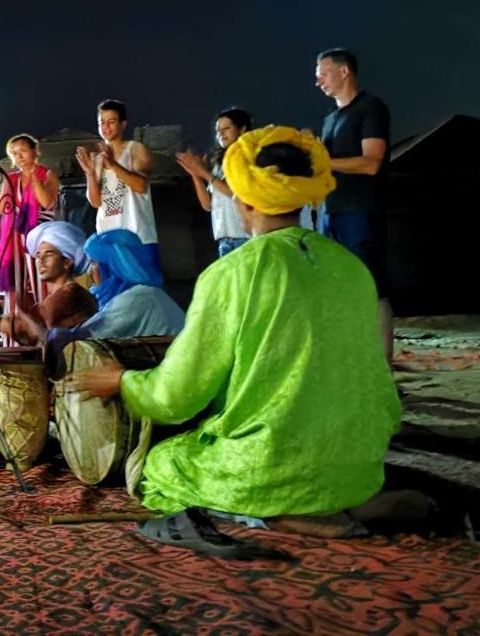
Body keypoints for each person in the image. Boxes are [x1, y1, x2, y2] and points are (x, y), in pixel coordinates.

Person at [71, 126, 400, 553]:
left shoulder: (233, 272)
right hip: (363, 461)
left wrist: (123, 382)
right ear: (303, 196)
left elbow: (177, 397)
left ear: (243, 202)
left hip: (273, 464)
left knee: (160, 466)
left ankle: (277, 509)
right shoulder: (351, 267)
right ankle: (350, 496)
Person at [316, 48, 394, 361]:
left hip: (360, 210)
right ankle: (356, 364)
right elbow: (323, 166)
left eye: (322, 73)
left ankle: (382, 372)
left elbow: (372, 163)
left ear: (344, 70)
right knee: (341, 290)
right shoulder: (329, 119)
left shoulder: (370, 108)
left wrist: (325, 160)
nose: (318, 81)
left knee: (372, 289)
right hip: (330, 213)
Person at [47, 229, 185, 376]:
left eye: (95, 264)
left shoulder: (138, 298)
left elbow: (77, 341)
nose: (92, 273)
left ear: (113, 265)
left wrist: (39, 322)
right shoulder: (145, 294)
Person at [75, 99, 160, 279]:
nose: (106, 127)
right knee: (115, 298)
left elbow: (141, 185)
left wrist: (113, 164)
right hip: (108, 237)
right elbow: (96, 202)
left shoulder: (136, 149)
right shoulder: (97, 159)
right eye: (101, 122)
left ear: (123, 124)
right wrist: (90, 174)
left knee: (144, 293)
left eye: (111, 121)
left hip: (137, 236)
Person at [176, 107, 253, 257]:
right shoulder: (220, 164)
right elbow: (208, 205)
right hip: (224, 240)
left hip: (245, 239)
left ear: (242, 129)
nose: (221, 134)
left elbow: (236, 193)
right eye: (218, 130)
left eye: (227, 128)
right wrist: (196, 175)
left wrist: (203, 172)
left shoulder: (247, 157)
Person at [5, 221, 98, 345]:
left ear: (67, 262)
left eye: (48, 254)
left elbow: (29, 332)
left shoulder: (70, 296)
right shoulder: (63, 294)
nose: (40, 261)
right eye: (38, 256)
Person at [0, 134, 59, 305]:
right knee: (15, 279)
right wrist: (3, 188)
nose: (19, 157)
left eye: (23, 151)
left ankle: (46, 324)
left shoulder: (47, 174)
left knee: (42, 280)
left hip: (40, 235)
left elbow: (46, 201)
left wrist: (35, 180)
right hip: (15, 236)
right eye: (14, 153)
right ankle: (15, 324)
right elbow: (3, 209)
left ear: (34, 151)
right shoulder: (12, 179)